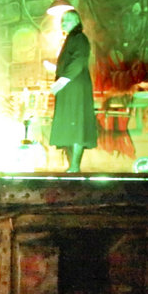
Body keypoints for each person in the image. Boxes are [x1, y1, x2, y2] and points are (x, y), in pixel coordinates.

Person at [49, 9, 98, 172]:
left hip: (75, 88)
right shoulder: (71, 39)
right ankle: (73, 166)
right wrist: (56, 70)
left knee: (76, 125)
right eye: (63, 20)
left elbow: (79, 61)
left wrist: (63, 80)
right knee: (69, 126)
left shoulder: (79, 38)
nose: (64, 22)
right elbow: (72, 62)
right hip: (70, 87)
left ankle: (75, 166)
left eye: (68, 19)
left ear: (77, 21)